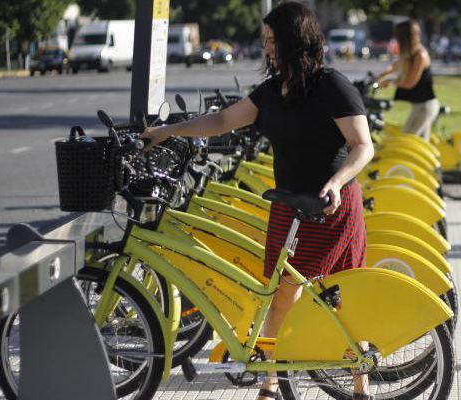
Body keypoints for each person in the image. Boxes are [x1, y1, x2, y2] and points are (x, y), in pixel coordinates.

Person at [142, 3, 374, 399]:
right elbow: (221, 121)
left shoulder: (331, 86)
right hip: (288, 206)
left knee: (335, 295)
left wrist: (336, 182)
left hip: (329, 207)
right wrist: (169, 130)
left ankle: (360, 384)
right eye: (265, 41)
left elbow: (362, 146)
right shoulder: (270, 93)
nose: (267, 48)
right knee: (278, 295)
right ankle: (269, 381)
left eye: (272, 41)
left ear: (294, 42)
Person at [375, 19, 438, 141]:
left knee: (406, 140)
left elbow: (410, 83)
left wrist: (390, 82)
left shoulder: (420, 55)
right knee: (418, 144)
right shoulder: (410, 54)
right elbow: (394, 66)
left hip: (425, 107)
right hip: (419, 106)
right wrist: (379, 76)